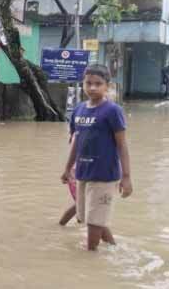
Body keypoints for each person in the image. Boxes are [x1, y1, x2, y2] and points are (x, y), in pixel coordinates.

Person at [61, 64, 133, 251]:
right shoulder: (78, 110)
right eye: (88, 83)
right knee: (88, 218)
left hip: (105, 175)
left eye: (98, 84)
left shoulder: (112, 111)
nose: (92, 87)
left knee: (94, 223)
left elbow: (122, 145)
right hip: (83, 173)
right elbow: (76, 142)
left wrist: (126, 177)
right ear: (83, 83)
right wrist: (67, 168)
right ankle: (115, 249)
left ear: (107, 86)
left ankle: (90, 259)